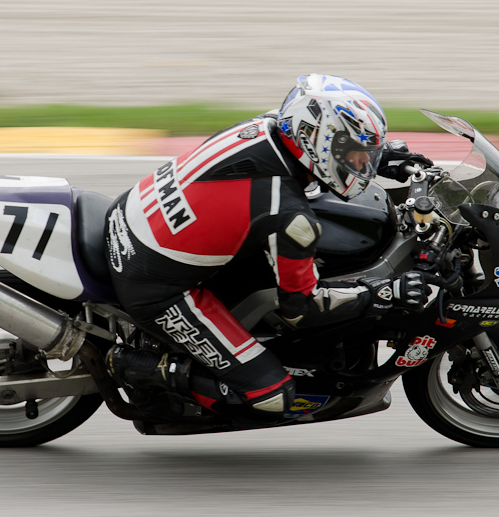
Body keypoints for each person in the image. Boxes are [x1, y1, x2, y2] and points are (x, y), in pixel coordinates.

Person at [104, 73, 433, 419]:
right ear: (319, 141)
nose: (361, 162)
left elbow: (318, 153)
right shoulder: (289, 217)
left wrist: (381, 160)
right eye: (355, 154)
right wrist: (383, 294)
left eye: (363, 154)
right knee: (272, 396)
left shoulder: (268, 125)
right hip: (153, 284)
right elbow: (301, 310)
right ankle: (135, 366)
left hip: (132, 216)